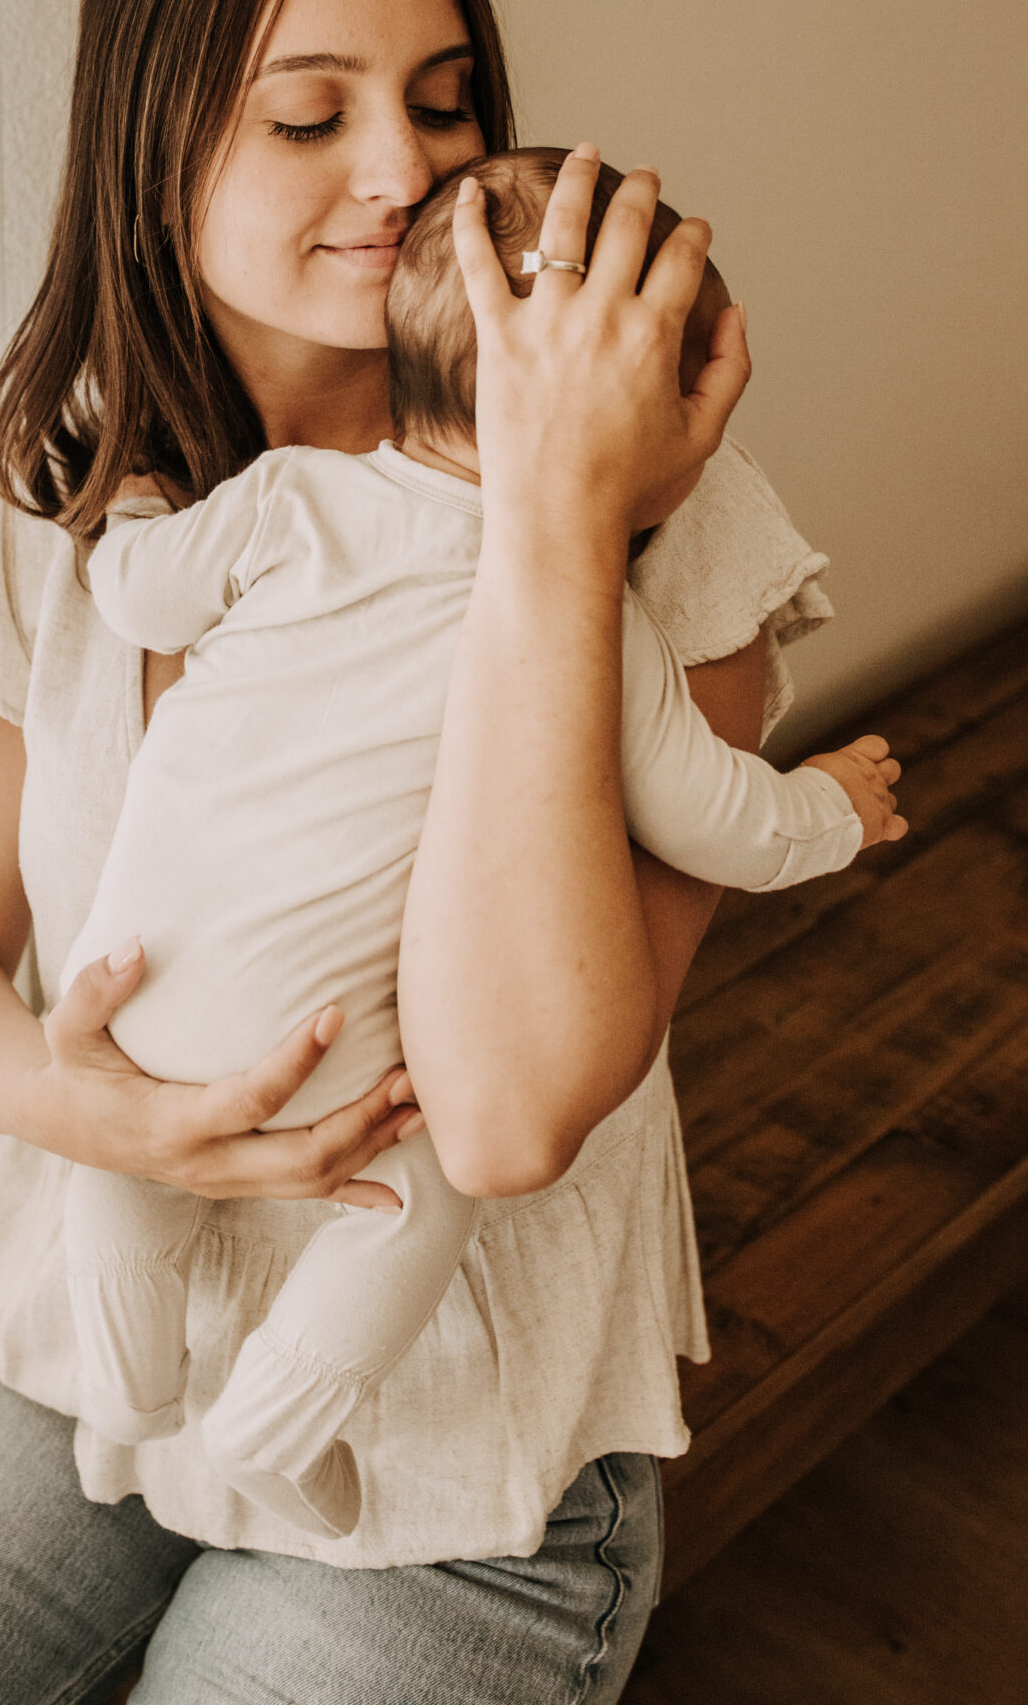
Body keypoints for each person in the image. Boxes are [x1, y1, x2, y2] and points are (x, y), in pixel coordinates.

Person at [0, 0, 845, 1705]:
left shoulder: (654, 520)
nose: (405, 172)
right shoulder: (62, 487)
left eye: (447, 107)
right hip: (76, 1324)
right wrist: (91, 1120)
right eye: (311, 117)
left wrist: (548, 520)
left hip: (455, 1442)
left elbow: (508, 1109)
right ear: (155, 145)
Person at [59, 146, 903, 1542]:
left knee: (121, 1152)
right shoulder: (587, 634)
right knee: (420, 1181)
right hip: (335, 1050)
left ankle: (130, 1383)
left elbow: (140, 592)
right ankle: (275, 1426)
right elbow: (715, 817)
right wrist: (834, 808)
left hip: (136, 992)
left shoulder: (292, 499)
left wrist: (141, 506)